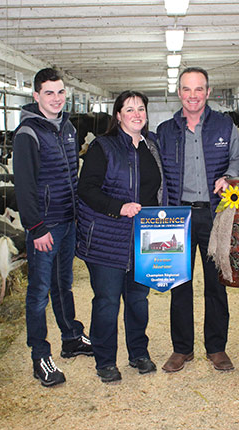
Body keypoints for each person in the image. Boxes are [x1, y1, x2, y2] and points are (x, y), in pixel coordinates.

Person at [157, 67, 239, 373]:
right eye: (186, 89)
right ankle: (182, 349)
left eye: (199, 89)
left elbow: (238, 158)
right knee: (179, 282)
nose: (193, 96)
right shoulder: (166, 131)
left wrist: (229, 176)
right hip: (177, 215)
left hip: (214, 213)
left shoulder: (224, 125)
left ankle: (216, 348)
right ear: (178, 92)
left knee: (216, 283)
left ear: (208, 92)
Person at [76, 90, 164, 383]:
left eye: (141, 108)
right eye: (129, 109)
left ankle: (139, 352)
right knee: (107, 301)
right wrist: (118, 207)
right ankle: (105, 360)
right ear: (118, 116)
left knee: (139, 299)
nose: (136, 114)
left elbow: (157, 190)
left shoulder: (152, 147)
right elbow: (86, 189)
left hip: (144, 237)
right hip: (107, 237)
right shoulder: (103, 147)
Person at [13, 68, 92, 388]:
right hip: (45, 226)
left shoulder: (68, 129)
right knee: (38, 293)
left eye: (60, 92)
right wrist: (36, 227)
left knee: (64, 285)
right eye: (49, 93)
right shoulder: (27, 134)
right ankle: (39, 355)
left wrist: (77, 216)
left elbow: (71, 176)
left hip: (68, 220)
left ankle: (71, 337)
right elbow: (25, 186)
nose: (56, 98)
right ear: (36, 96)